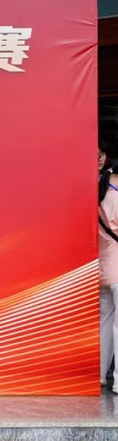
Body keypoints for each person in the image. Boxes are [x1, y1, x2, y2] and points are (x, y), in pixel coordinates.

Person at [100, 139, 118, 391]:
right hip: (117, 263)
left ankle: (100, 375)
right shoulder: (115, 192)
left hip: (103, 264)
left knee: (105, 321)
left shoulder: (99, 189)